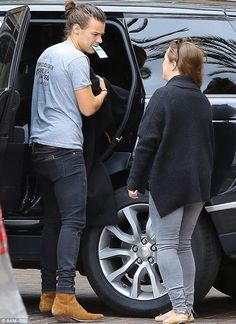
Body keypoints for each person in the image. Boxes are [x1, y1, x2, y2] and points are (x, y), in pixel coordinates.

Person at [30, 1, 107, 322]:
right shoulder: (76, 59)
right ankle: (66, 296)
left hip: (40, 148)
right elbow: (88, 108)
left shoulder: (47, 54)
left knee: (53, 223)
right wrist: (102, 90)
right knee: (73, 223)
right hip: (65, 151)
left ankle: (47, 295)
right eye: (95, 34)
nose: (99, 40)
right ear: (76, 29)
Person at [127, 39, 214, 324]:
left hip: (169, 183)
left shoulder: (164, 97)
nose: (162, 64)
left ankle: (179, 308)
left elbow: (146, 143)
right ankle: (185, 308)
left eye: (165, 59)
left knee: (165, 245)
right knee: (183, 244)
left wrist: (134, 180)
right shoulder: (200, 98)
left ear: (174, 64)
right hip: (197, 184)